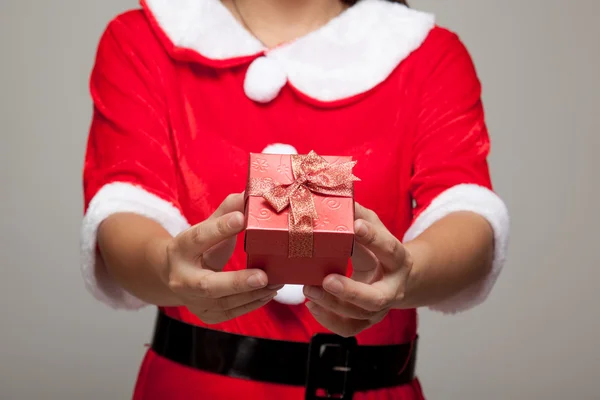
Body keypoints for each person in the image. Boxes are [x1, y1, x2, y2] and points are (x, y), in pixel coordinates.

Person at [80, 0, 510, 398]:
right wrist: (166, 265)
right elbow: (125, 206)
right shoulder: (144, 37)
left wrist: (409, 271)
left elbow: (464, 210)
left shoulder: (427, 53)